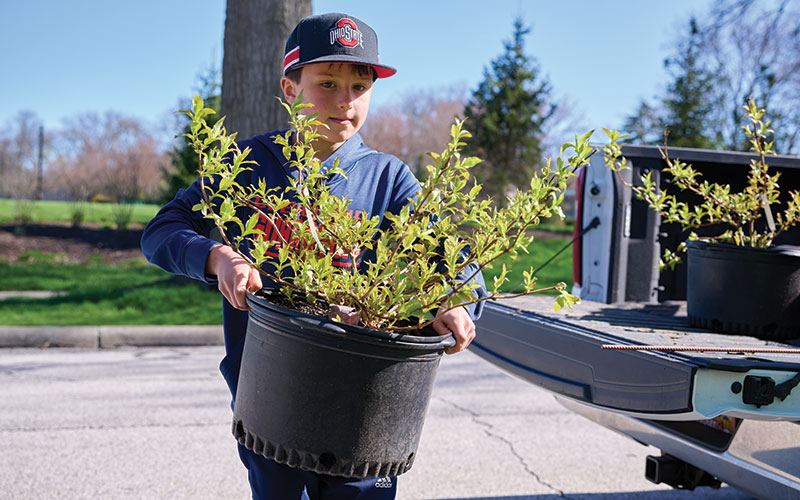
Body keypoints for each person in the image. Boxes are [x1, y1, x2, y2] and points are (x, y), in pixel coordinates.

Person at [141, 12, 486, 499]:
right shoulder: (247, 167)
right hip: (270, 394)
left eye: (360, 87)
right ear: (290, 88)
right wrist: (219, 256)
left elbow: (454, 260)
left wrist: (452, 300)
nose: (345, 102)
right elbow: (161, 231)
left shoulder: (389, 181)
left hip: (365, 401)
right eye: (327, 83)